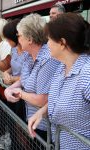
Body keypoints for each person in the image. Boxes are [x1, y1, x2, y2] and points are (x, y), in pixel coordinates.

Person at [28, 13, 90, 149]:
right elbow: (58, 98)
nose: (47, 44)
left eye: (49, 39)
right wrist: (41, 112)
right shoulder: (62, 67)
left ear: (62, 43)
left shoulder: (86, 74)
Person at [4, 14, 60, 142]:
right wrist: (9, 89)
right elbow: (22, 80)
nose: (18, 38)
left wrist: (19, 93)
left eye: (19, 35)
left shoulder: (48, 59)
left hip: (46, 126)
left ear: (29, 39)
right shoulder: (29, 56)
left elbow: (42, 99)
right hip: (34, 119)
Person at [2, 18, 28, 85]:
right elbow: (15, 67)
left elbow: (32, 77)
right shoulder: (14, 49)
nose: (7, 41)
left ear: (14, 37)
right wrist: (6, 72)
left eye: (8, 38)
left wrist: (12, 79)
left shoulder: (28, 51)